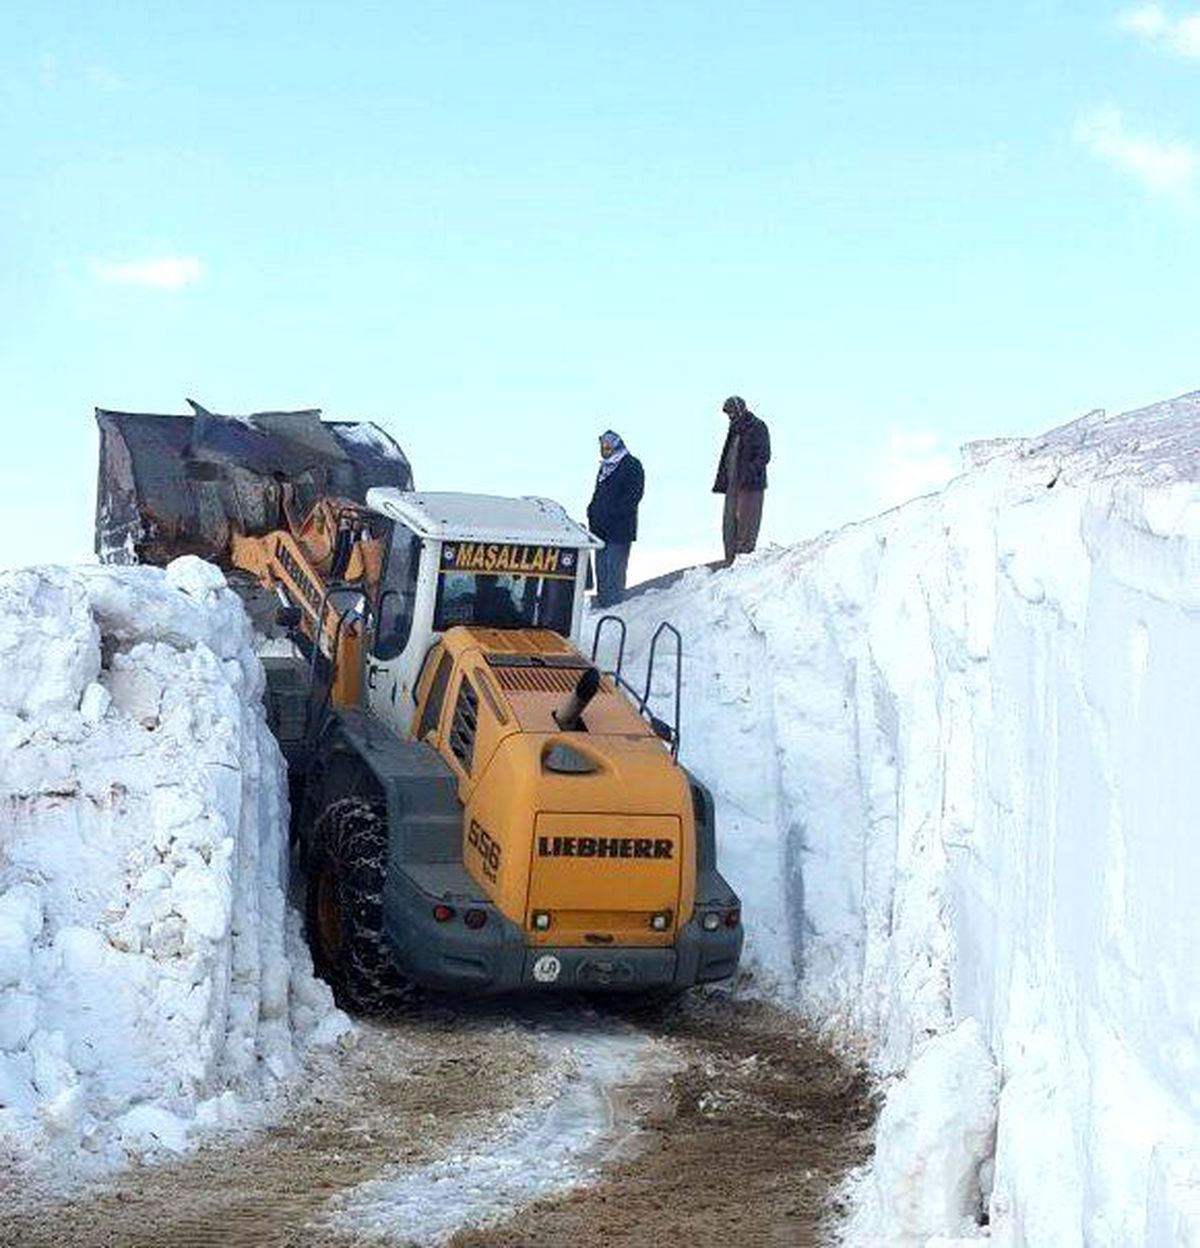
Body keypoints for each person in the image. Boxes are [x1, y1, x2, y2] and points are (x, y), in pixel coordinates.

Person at [586, 429, 644, 608]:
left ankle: (614, 611)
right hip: (599, 530)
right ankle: (603, 608)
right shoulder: (604, 467)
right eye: (603, 446)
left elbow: (633, 495)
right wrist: (592, 510)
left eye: (608, 446)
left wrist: (612, 512)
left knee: (614, 575)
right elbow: (599, 494)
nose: (605, 449)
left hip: (619, 531)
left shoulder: (631, 464)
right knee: (602, 574)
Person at [712, 395, 770, 564]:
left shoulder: (757, 427)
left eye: (731, 412)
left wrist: (747, 475)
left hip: (750, 486)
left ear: (739, 409)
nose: (729, 416)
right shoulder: (734, 430)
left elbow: (763, 455)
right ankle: (730, 561)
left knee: (747, 525)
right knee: (729, 524)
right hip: (732, 486)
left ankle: (743, 563)